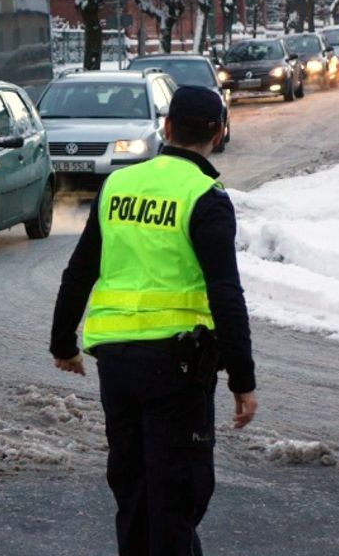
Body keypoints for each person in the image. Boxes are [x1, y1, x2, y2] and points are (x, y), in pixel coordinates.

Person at [50, 85, 258, 555]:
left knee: (134, 490)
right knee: (178, 493)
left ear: (166, 128)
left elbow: (81, 268)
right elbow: (226, 293)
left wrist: (63, 342)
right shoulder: (205, 197)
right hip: (176, 369)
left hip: (116, 365)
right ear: (219, 133)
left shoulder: (117, 185)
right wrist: (242, 379)